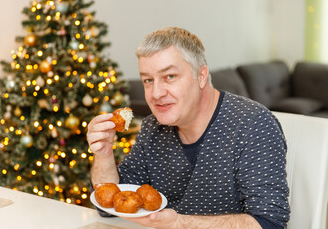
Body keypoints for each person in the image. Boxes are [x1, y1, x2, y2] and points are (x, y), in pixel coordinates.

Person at [87, 27, 290, 229]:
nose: (156, 93)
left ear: (201, 76)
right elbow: (110, 205)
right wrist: (104, 153)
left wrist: (179, 223)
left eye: (170, 77)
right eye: (148, 80)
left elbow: (269, 222)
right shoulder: (152, 127)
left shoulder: (253, 124)